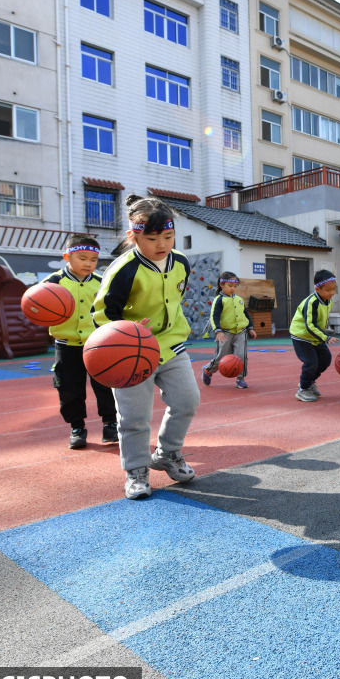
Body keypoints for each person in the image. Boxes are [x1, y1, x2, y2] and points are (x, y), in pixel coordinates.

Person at [93, 194, 200, 499]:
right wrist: (125, 336)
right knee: (135, 417)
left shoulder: (181, 263)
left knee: (187, 401)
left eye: (168, 236)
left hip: (171, 345)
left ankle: (167, 453)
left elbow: (174, 300)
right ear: (134, 236)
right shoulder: (122, 270)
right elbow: (101, 315)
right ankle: (136, 470)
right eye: (152, 238)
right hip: (130, 353)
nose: (161, 244)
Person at [42, 234, 118, 449]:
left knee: (105, 385)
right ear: (67, 257)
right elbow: (36, 304)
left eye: (93, 260)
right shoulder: (52, 283)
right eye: (82, 258)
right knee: (69, 388)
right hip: (66, 345)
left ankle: (110, 424)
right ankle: (77, 427)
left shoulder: (102, 282)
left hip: (97, 344)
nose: (88, 263)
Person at [289, 269, 339, 402]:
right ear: (317, 289)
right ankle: (303, 389)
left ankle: (309, 381)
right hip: (301, 336)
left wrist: (325, 330)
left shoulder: (328, 301)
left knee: (325, 359)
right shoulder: (311, 302)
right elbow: (310, 325)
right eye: (328, 290)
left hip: (314, 336)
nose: (332, 293)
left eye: (334, 289)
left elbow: (319, 320)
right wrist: (326, 337)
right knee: (311, 362)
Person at [202, 272, 256, 389]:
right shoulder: (219, 300)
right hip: (225, 333)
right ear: (222, 284)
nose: (233, 289)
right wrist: (218, 331)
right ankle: (208, 370)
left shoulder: (239, 299)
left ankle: (240, 379)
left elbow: (246, 314)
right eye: (230, 286)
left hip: (241, 332)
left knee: (241, 356)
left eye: (235, 287)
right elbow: (214, 316)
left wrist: (250, 328)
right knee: (221, 357)